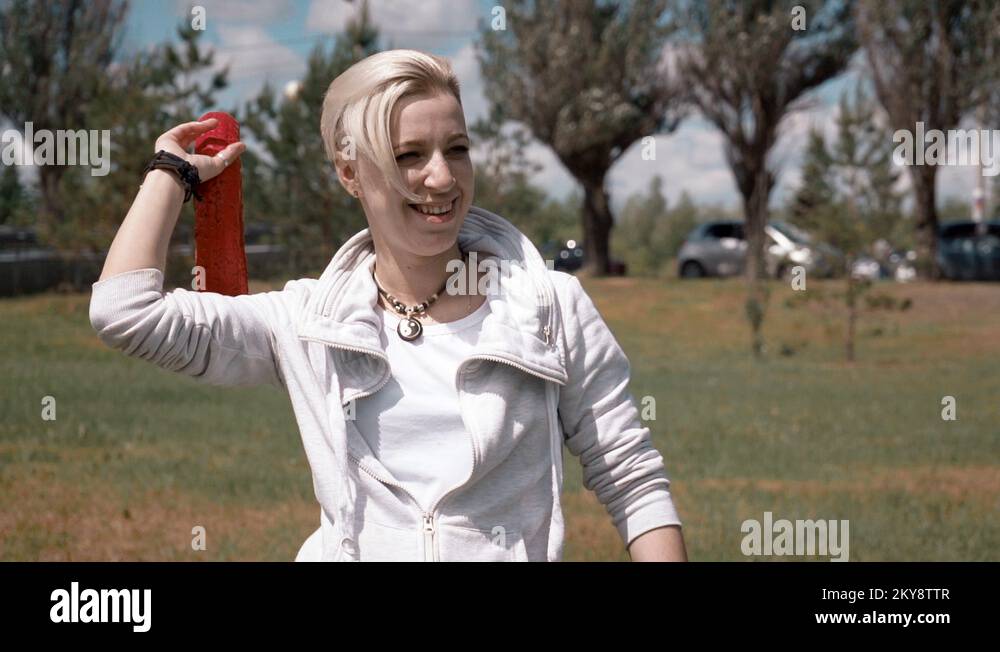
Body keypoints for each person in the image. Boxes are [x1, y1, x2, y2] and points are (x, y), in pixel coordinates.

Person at [89, 48, 687, 562]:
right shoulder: (307, 324)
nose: (441, 177)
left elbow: (632, 478)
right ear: (351, 173)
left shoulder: (548, 307)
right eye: (409, 156)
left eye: (457, 149)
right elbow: (125, 312)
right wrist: (171, 172)